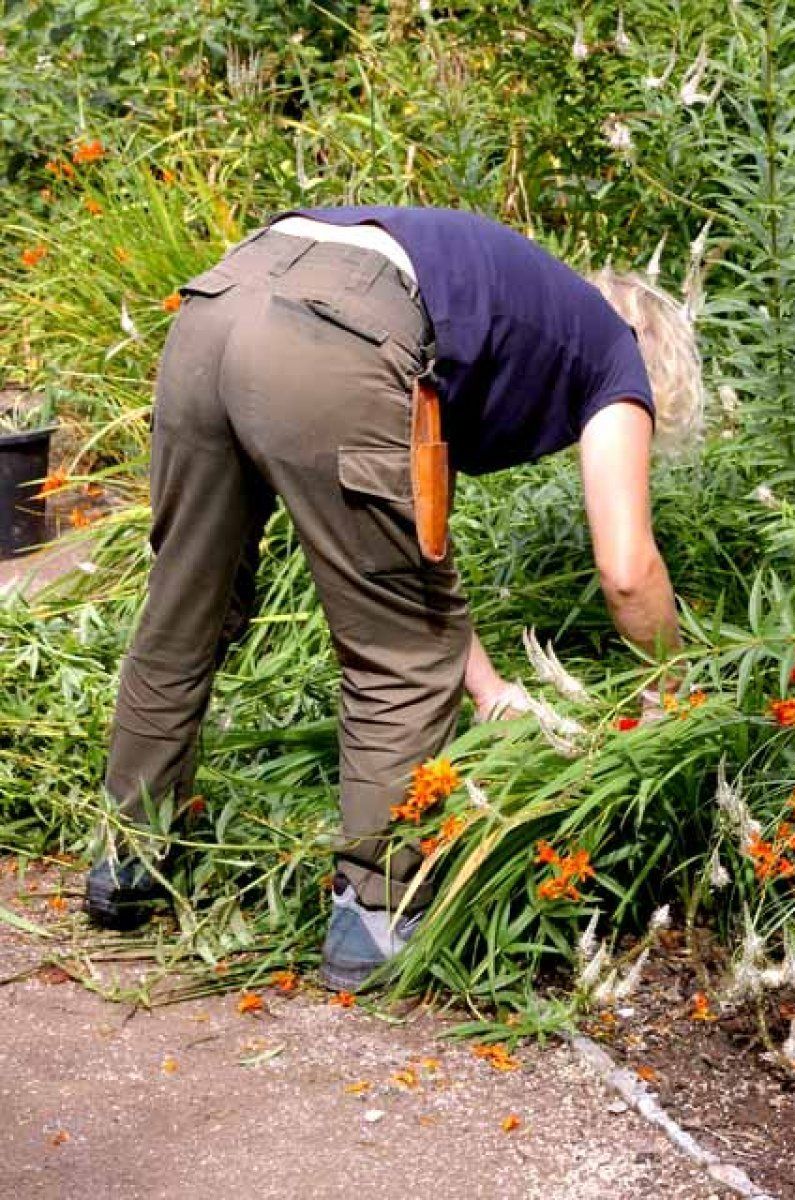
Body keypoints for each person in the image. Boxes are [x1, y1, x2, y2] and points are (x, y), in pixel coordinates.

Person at [85, 206, 703, 991]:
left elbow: (418, 559)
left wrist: (487, 689)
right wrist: (677, 693)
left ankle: (126, 859)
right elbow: (627, 570)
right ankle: (376, 917)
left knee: (185, 611)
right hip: (332, 332)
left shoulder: (490, 304)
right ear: (659, 358)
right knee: (398, 657)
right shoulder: (619, 355)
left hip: (220, 300)